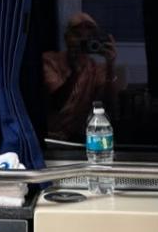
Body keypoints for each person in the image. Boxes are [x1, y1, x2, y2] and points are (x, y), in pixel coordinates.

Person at [42, 12, 122, 142]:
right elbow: (57, 102)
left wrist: (111, 64)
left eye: (89, 37)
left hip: (81, 138)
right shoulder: (50, 61)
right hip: (52, 137)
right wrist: (75, 71)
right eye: (78, 36)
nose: (82, 41)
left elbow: (111, 106)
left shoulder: (96, 69)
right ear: (66, 37)